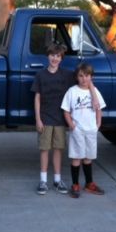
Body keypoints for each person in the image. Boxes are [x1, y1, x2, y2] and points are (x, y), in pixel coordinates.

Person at [31, 43, 100, 195]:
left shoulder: (67, 75)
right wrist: (38, 119)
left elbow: (86, 79)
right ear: (47, 56)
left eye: (58, 56)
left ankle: (57, 180)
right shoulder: (41, 75)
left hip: (61, 119)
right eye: (52, 55)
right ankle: (43, 181)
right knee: (44, 149)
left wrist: (95, 98)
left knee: (58, 149)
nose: (55, 58)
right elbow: (37, 98)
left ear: (61, 58)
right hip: (45, 118)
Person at [61, 62, 106, 198]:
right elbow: (66, 110)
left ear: (91, 77)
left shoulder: (94, 91)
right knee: (76, 157)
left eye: (87, 76)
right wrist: (71, 124)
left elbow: (99, 108)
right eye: (81, 76)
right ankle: (75, 184)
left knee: (88, 158)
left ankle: (89, 183)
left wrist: (98, 123)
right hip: (78, 130)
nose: (84, 79)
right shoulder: (72, 91)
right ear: (76, 77)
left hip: (91, 129)